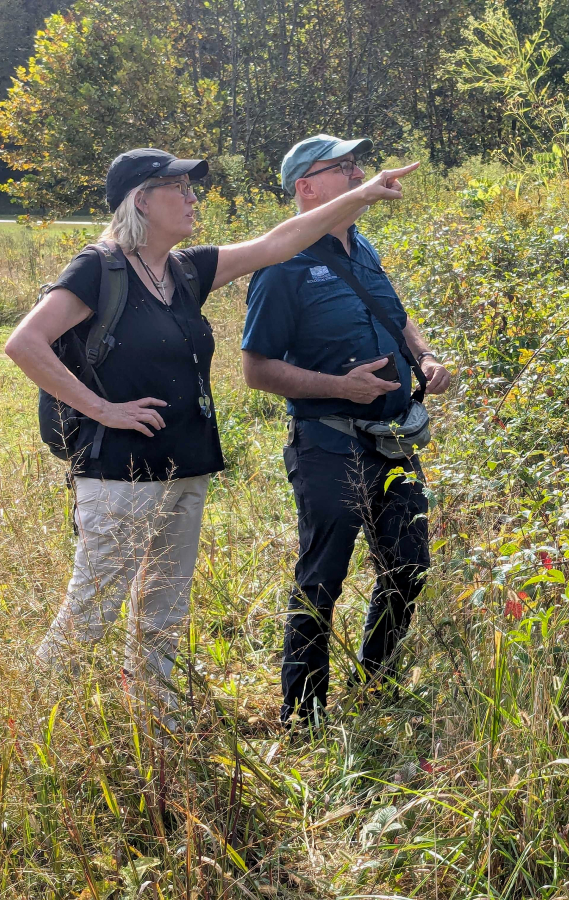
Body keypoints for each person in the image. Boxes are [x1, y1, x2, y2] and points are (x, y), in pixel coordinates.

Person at [4, 147, 417, 726]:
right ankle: (29, 727)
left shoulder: (187, 270)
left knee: (164, 611)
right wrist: (104, 408)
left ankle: (162, 727)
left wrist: (361, 193)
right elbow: (25, 343)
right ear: (141, 200)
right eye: (179, 186)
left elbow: (281, 240)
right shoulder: (98, 269)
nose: (194, 196)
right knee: (91, 610)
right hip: (120, 473)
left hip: (185, 463)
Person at [241, 134, 452, 728]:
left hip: (392, 441)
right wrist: (341, 387)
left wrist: (425, 355)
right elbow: (256, 370)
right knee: (322, 580)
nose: (359, 172)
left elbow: (397, 314)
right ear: (306, 188)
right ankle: (302, 717)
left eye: (358, 163)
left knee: (409, 565)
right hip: (328, 443)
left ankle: (375, 685)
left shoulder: (364, 249)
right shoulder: (280, 266)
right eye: (344, 167)